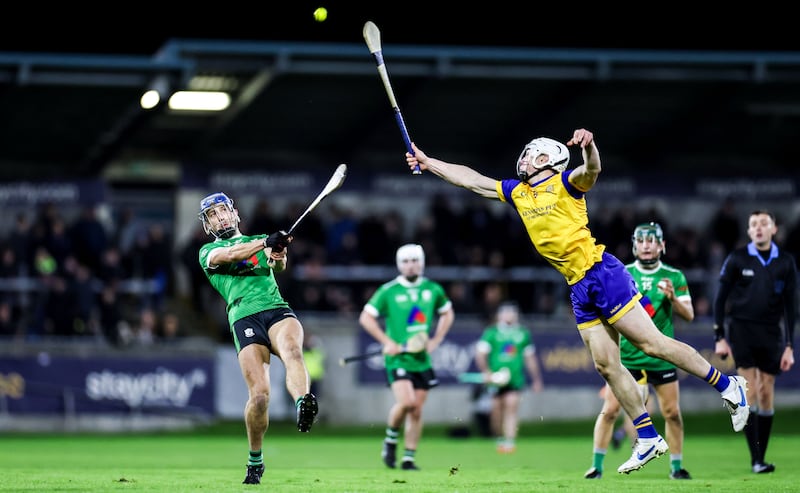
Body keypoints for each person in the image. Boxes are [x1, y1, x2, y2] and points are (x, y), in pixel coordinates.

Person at [405, 128, 749, 475]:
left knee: (651, 343)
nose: (524, 158)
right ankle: (647, 436)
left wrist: (590, 147)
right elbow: (472, 180)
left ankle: (729, 385)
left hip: (600, 273)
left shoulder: (567, 183)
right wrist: (429, 162)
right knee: (606, 366)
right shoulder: (518, 192)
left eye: (532, 154)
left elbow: (592, 171)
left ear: (548, 160)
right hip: (577, 286)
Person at [197, 192, 319, 485]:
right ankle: (255, 460)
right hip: (243, 317)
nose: (220, 218)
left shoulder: (262, 239)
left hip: (276, 309)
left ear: (235, 213)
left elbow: (277, 266)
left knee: (292, 350)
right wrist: (265, 243)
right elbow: (229, 255)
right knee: (260, 396)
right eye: (213, 215)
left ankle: (303, 402)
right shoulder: (206, 252)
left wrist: (278, 252)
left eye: (223, 211)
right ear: (207, 224)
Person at [584, 222, 695, 480]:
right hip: (629, 358)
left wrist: (673, 300)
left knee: (672, 413)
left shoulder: (674, 277)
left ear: (662, 246)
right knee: (609, 411)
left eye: (651, 240)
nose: (646, 245)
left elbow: (689, 315)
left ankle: (676, 468)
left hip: (661, 358)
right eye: (641, 240)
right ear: (635, 245)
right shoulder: (621, 273)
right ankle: (596, 467)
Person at [713, 209, 797, 474]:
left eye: (764, 224)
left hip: (771, 333)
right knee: (749, 393)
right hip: (741, 330)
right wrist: (719, 337)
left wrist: (789, 345)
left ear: (774, 229)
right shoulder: (737, 258)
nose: (759, 228)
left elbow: (791, 307)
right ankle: (756, 459)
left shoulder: (785, 262)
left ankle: (761, 455)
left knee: (766, 393)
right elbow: (720, 298)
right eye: (754, 224)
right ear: (749, 231)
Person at [358, 243, 455, 471]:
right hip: (397, 358)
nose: (411, 266)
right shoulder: (388, 290)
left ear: (421, 262)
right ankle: (391, 439)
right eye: (406, 261)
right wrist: (387, 342)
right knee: (407, 402)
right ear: (399, 264)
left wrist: (437, 339)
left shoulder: (433, 289)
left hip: (421, 359)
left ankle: (409, 458)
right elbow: (366, 318)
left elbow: (447, 312)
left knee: (417, 410)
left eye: (414, 260)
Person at [474, 301, 544, 454]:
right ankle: (499, 438)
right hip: (495, 380)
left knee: (511, 407)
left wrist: (536, 379)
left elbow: (530, 358)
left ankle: (510, 442)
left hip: (515, 379)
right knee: (496, 411)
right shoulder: (492, 333)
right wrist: (487, 372)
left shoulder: (522, 333)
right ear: (499, 315)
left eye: (511, 312)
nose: (508, 315)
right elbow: (480, 354)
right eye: (505, 312)